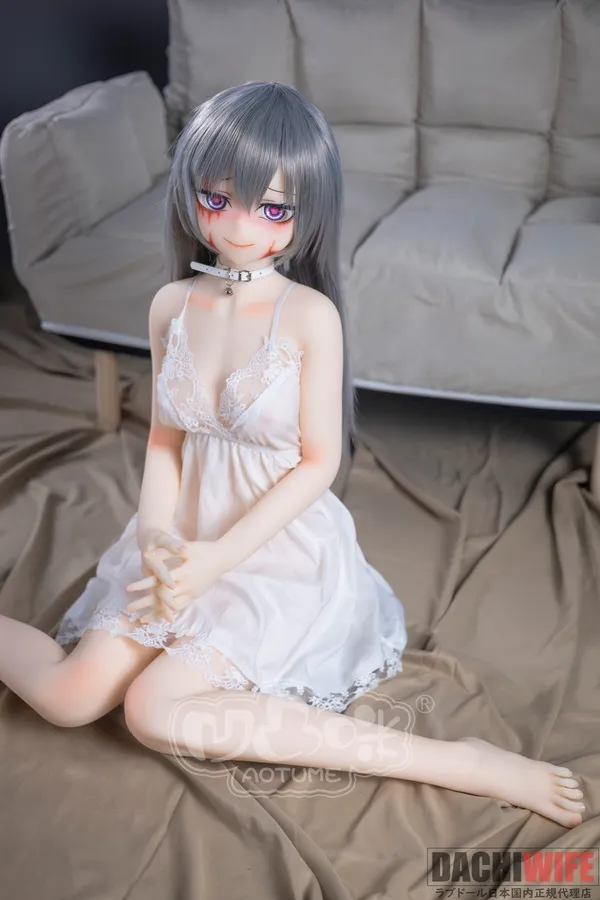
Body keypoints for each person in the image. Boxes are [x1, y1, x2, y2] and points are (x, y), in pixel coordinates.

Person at [0, 82, 585, 828]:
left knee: (156, 710)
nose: (241, 227)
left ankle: (460, 761)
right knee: (68, 696)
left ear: (307, 214)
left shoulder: (309, 316)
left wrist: (218, 560)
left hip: (273, 557)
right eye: (218, 199)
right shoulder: (171, 306)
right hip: (179, 541)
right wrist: (154, 535)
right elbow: (164, 439)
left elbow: (318, 463)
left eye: (273, 209)